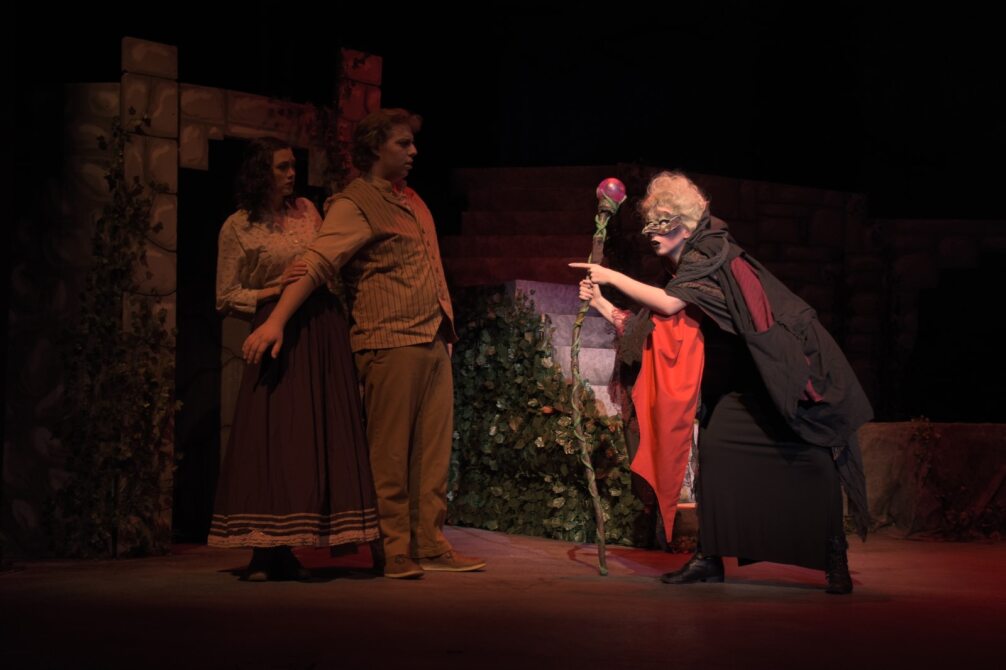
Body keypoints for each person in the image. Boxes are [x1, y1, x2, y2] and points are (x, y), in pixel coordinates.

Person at [573, 171, 871, 594]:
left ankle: (833, 556)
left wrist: (611, 277)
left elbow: (669, 304)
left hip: (778, 370)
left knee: (811, 456)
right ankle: (710, 557)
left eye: (662, 222)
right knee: (715, 450)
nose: (651, 232)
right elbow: (652, 327)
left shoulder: (710, 251)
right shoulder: (680, 267)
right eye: (649, 223)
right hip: (738, 380)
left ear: (686, 225)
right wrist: (602, 303)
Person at [242, 109, 486, 579]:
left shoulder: (412, 199)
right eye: (402, 144)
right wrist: (276, 321)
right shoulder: (354, 204)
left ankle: (430, 543)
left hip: (432, 338)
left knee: (432, 455)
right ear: (375, 147)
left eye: (412, 143)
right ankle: (392, 548)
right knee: (389, 455)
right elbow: (316, 264)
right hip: (388, 340)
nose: (413, 152)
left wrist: (444, 329)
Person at [209, 137, 380, 581]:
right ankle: (264, 551)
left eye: (292, 166)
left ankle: (292, 546)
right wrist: (275, 288)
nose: (292, 174)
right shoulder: (238, 226)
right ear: (259, 172)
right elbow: (226, 297)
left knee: (311, 434)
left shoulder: (307, 210)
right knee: (274, 436)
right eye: (282, 167)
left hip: (319, 326)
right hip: (275, 330)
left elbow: (324, 263)